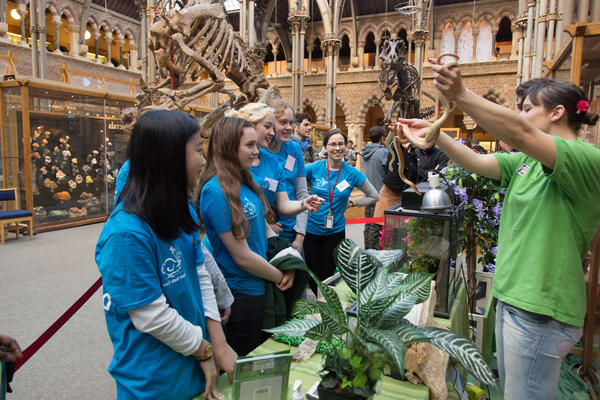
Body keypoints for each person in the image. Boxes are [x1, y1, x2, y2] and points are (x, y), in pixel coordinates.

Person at [396, 61, 600, 399]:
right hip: (513, 300)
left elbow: (519, 132)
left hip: (541, 309)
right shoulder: (527, 163)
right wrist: (435, 133)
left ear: (557, 112)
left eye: (527, 108)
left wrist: (460, 94)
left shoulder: (585, 159)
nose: (520, 116)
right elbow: (475, 162)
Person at [95, 110, 222, 400]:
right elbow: (151, 316)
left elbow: (198, 270)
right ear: (170, 157)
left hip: (192, 364)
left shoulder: (181, 210)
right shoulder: (126, 234)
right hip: (154, 382)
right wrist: (204, 350)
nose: (204, 161)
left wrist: (216, 340)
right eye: (198, 151)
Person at [198, 117, 295, 356]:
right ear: (230, 147)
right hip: (240, 294)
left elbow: (266, 230)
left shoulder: (245, 181)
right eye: (250, 145)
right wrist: (279, 275)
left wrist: (289, 264)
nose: (256, 150)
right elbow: (241, 256)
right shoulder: (215, 191)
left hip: (261, 285)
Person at [304, 129, 379, 294]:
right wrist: (301, 201)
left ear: (345, 146)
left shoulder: (352, 173)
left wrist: (352, 203)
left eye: (340, 144)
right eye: (332, 144)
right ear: (325, 147)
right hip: (310, 231)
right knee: (310, 274)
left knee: (328, 274)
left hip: (335, 232)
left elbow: (374, 196)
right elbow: (294, 180)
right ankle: (317, 306)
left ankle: (325, 308)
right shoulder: (314, 168)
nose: (337, 148)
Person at [226, 103, 324, 215]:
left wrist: (303, 204)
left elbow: (283, 203)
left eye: (291, 123)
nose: (272, 133)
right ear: (250, 127)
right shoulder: (231, 164)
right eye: (267, 127)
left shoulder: (272, 162)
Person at [266, 98, 309, 253]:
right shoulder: (258, 153)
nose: (288, 127)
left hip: (293, 232)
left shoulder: (294, 149)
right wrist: (265, 228)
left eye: (291, 123)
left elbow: (302, 193)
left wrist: (300, 236)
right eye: (283, 122)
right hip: (269, 233)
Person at [360, 126, 389, 249]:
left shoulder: (364, 152)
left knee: (368, 225)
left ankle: (367, 251)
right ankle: (372, 253)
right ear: (382, 138)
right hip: (380, 194)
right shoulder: (383, 153)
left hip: (368, 194)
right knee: (375, 226)